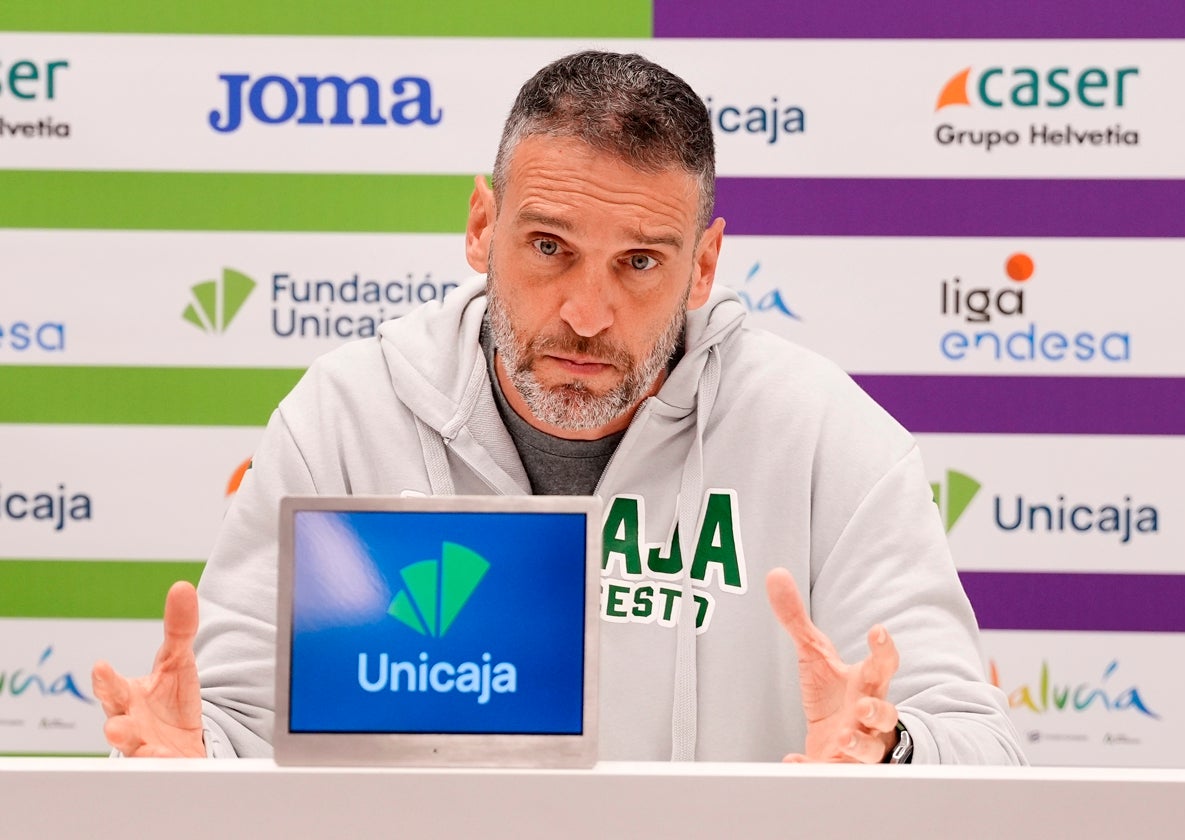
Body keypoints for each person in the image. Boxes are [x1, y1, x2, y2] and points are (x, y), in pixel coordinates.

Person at [92, 51, 1025, 765]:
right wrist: (196, 758)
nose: (586, 312)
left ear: (703, 265)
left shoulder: (830, 441)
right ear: (480, 227)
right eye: (548, 246)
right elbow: (243, 728)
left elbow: (980, 748)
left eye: (641, 262)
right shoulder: (347, 415)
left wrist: (893, 747)